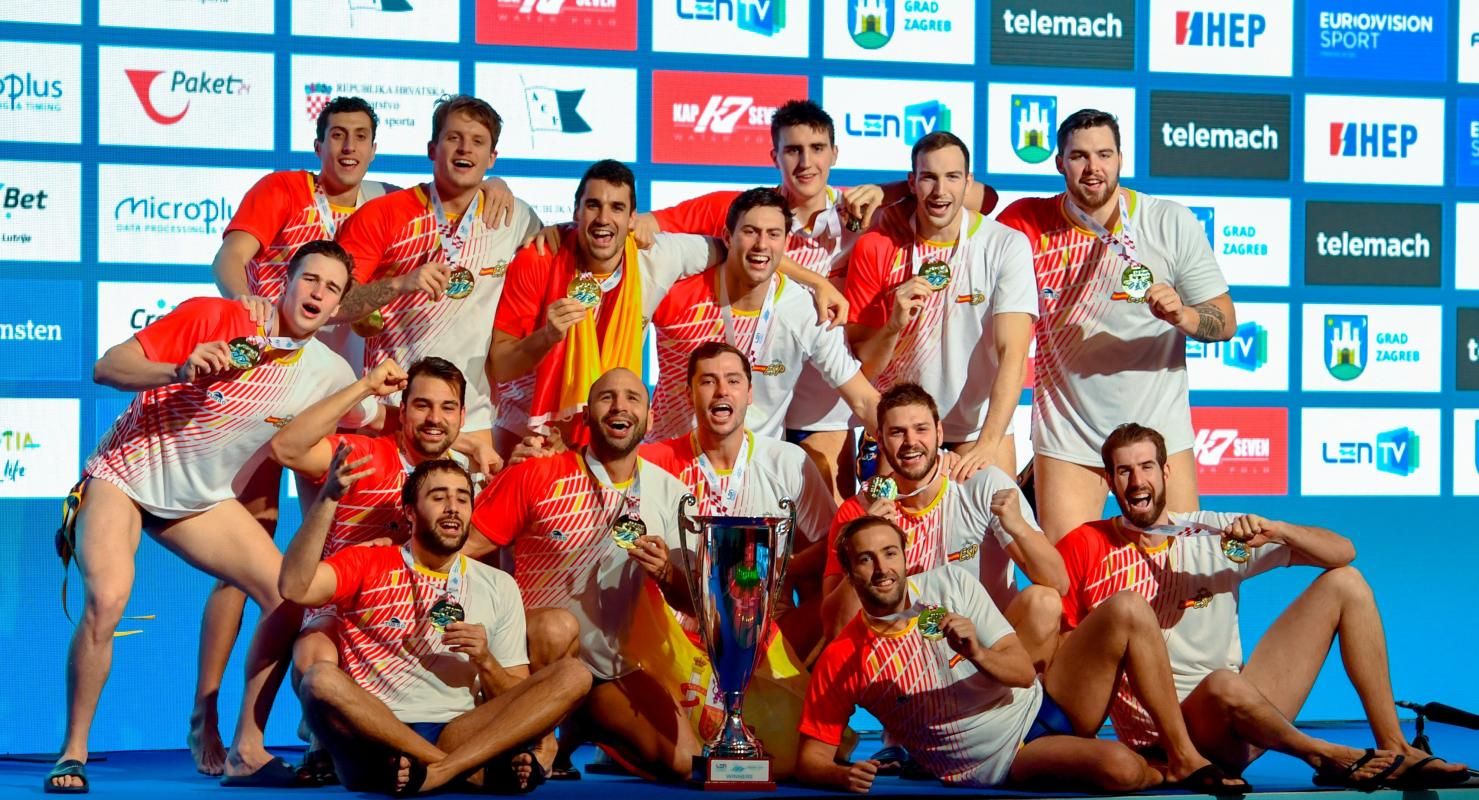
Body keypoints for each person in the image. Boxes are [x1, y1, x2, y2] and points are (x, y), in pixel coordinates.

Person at [47, 241, 379, 792]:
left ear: (340, 304)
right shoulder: (216, 316)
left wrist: (457, 435)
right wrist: (177, 368)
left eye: (332, 288)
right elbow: (108, 367)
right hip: (124, 477)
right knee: (106, 601)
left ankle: (247, 747)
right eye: (310, 279)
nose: (317, 294)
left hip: (198, 500)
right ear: (285, 282)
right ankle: (72, 752)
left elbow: (379, 412)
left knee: (287, 594)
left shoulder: (328, 371)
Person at [1057, 423, 1472, 791]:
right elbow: (1066, 652)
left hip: (1241, 720)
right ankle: (1323, 754)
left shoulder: (1214, 533)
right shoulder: (1084, 546)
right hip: (1163, 739)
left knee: (1347, 583)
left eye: (1146, 466)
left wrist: (1279, 530)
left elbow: (1343, 552)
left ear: (1166, 473)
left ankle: (1394, 746)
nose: (1136, 480)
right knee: (1222, 683)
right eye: (1124, 471)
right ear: (1110, 482)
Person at [636, 99, 998, 503]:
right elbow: (643, 229)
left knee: (824, 518)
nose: (805, 162)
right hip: (753, 394)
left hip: (823, 399)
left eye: (817, 149)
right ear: (774, 155)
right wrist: (815, 281)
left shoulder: (862, 212)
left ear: (834, 154)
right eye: (793, 150)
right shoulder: (741, 211)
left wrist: (888, 189)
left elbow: (984, 198)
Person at [795, 516, 1249, 793]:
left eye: (889, 553)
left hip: (1040, 703)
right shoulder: (843, 658)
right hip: (1003, 759)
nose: (882, 568)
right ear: (850, 574)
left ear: (905, 556)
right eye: (866, 560)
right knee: (1121, 769)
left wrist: (977, 652)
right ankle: (1158, 772)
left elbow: (1020, 673)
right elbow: (812, 758)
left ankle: (1185, 755)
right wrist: (840, 776)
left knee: (1128, 607)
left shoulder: (950, 584)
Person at [282, 452, 592, 795]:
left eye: (462, 498)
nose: (452, 507)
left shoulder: (498, 584)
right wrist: (326, 499)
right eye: (438, 497)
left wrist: (486, 660)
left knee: (575, 675)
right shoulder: (367, 562)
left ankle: (435, 770)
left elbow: (513, 696)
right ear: (410, 512)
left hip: (457, 730)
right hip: (376, 730)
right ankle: (465, 772)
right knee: (319, 680)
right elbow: (295, 587)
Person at [489, 160, 846, 454]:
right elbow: (502, 367)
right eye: (593, 206)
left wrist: (817, 281)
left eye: (617, 208)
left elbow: (748, 252)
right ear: (575, 213)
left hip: (604, 435)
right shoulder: (540, 259)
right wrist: (547, 336)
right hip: (529, 428)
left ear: (633, 220)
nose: (603, 218)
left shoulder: (657, 256)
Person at [995, 109, 1236, 543]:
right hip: (1070, 433)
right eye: (1079, 156)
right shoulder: (1026, 223)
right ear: (1059, 162)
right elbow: (958, 199)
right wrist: (894, 192)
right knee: (1069, 576)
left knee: (1179, 568)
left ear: (1121, 158)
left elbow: (1226, 322)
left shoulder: (1168, 221)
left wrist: (1184, 316)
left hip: (1159, 430)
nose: (1093, 168)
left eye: (1104, 154)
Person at [465, 368, 701, 781]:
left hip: (608, 668)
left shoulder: (670, 494)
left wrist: (666, 572)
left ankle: (581, 723)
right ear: (587, 415)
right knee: (558, 626)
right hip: (534, 652)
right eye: (607, 397)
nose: (620, 406)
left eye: (633, 398)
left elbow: (690, 599)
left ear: (647, 417)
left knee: (683, 761)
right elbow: (463, 549)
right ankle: (536, 736)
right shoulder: (537, 475)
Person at [268, 355, 473, 783]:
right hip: (345, 607)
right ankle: (329, 744)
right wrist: (365, 387)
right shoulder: (363, 455)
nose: (435, 418)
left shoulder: (465, 479)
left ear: (462, 416)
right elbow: (287, 447)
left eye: (447, 407)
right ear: (402, 409)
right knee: (313, 660)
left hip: (423, 614)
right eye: (422, 405)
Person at [640, 342, 839, 742]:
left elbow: (834, 542)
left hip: (770, 628)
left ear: (749, 393)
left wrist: (777, 573)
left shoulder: (789, 462)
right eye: (708, 381)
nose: (721, 392)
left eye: (733, 381)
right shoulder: (653, 461)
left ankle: (821, 725)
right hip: (679, 634)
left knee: (845, 592)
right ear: (688, 392)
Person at [336, 94, 542, 478]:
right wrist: (400, 283)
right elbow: (339, 304)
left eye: (478, 142)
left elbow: (559, 256)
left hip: (472, 416)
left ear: (492, 157)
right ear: (432, 148)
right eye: (454, 138)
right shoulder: (385, 214)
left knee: (462, 533)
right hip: (391, 411)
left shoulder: (514, 217)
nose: (465, 149)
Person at [822, 383, 1064, 670]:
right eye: (897, 432)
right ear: (881, 440)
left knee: (1044, 603)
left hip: (992, 646)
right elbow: (835, 630)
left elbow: (1058, 583)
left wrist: (1019, 528)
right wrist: (866, 544)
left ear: (939, 432)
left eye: (921, 429)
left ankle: (1023, 706)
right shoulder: (859, 511)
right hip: (910, 660)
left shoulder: (981, 485)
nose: (911, 441)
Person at [846, 131, 1036, 481]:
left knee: (997, 529)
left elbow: (1014, 352)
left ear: (968, 182)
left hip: (977, 429)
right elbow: (864, 367)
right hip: (904, 429)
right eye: (929, 178)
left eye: (951, 177)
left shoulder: (1004, 245)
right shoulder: (876, 246)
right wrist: (893, 326)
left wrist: (989, 443)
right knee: (891, 534)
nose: (940, 191)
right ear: (911, 183)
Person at [646, 188, 880, 444]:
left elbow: (863, 400)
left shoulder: (805, 311)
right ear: (727, 237)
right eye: (750, 232)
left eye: (773, 234)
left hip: (753, 468)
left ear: (786, 243)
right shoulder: (677, 293)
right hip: (669, 461)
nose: (761, 244)